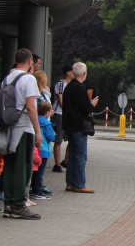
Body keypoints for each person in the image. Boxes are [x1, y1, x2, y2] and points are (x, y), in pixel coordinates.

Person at [0, 49, 42, 219]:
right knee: (23, 168)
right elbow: (31, 106)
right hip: (24, 128)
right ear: (30, 61)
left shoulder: (7, 79)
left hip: (9, 127)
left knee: (9, 166)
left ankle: (8, 203)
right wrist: (38, 131)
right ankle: (19, 204)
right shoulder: (28, 79)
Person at [62, 62, 98, 193]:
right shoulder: (80, 88)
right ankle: (79, 183)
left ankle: (70, 182)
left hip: (69, 124)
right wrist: (92, 103)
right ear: (84, 73)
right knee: (80, 156)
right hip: (79, 125)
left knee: (72, 155)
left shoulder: (68, 87)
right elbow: (86, 108)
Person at [29, 101, 55, 200]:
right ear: (47, 113)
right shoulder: (47, 124)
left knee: (34, 171)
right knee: (40, 173)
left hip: (35, 150)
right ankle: (38, 191)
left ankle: (32, 188)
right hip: (43, 151)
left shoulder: (34, 121)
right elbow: (50, 137)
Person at [51, 64, 74, 172]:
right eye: (72, 71)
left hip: (68, 114)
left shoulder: (72, 85)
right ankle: (57, 164)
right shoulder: (61, 84)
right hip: (59, 113)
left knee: (70, 138)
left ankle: (66, 160)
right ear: (68, 73)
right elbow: (61, 101)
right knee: (59, 139)